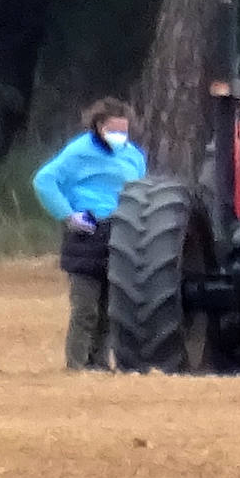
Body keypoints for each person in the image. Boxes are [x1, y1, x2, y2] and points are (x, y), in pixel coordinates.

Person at [32, 97, 147, 370]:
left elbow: (142, 188)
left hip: (122, 234)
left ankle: (99, 364)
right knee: (86, 308)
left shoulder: (133, 155)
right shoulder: (78, 152)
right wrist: (67, 214)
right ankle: (76, 364)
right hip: (87, 233)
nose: (120, 137)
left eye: (124, 131)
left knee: (110, 309)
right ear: (98, 126)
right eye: (115, 131)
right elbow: (44, 181)